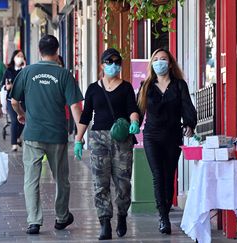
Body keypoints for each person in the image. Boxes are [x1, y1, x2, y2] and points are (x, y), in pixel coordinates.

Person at [10, 35, 84, 235]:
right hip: (57, 134)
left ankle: (34, 221)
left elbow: (14, 101)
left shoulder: (27, 72)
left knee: (31, 179)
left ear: (39, 50)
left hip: (33, 133)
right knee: (61, 178)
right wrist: (79, 134)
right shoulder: (64, 75)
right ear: (57, 50)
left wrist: (21, 115)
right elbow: (76, 106)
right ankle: (61, 217)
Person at [74, 48, 140, 240]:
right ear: (102, 65)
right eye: (109, 62)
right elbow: (86, 116)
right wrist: (78, 140)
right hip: (98, 139)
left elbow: (132, 108)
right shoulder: (94, 88)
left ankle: (121, 216)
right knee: (100, 182)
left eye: (117, 62)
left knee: (123, 182)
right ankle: (104, 222)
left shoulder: (126, 87)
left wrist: (134, 122)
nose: (113, 65)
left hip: (122, 139)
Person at [136, 48, 197, 235]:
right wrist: (131, 124)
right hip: (151, 136)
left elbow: (188, 107)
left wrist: (189, 124)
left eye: (163, 59)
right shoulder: (146, 85)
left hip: (172, 136)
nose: (160, 62)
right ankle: (163, 217)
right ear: (152, 64)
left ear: (170, 64)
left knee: (169, 174)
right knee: (157, 174)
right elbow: (138, 111)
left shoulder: (179, 85)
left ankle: (166, 208)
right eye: (156, 59)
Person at [2, 50, 26, 151]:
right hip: (10, 100)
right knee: (15, 120)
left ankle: (17, 137)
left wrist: (25, 68)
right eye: (18, 56)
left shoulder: (26, 70)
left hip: (23, 100)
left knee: (23, 121)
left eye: (22, 56)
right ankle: (14, 144)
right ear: (14, 57)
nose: (20, 57)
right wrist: (6, 87)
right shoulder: (9, 70)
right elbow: (3, 84)